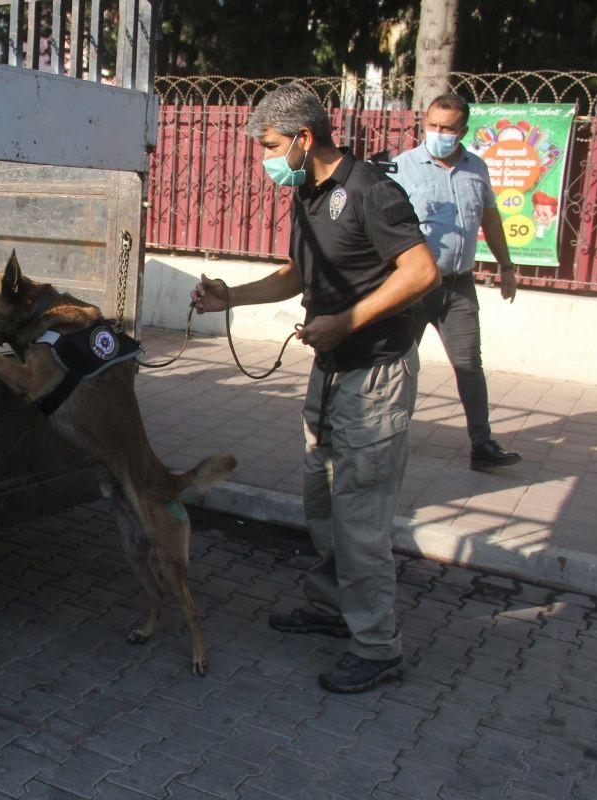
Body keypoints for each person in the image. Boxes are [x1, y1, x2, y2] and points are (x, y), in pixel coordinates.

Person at [190, 83, 440, 693]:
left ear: (305, 138)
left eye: (271, 146)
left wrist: (346, 321)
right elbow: (299, 275)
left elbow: (421, 272)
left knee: (360, 516)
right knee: (324, 502)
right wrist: (231, 297)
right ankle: (332, 608)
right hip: (330, 371)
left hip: (374, 375)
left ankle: (378, 648)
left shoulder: (371, 191)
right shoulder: (308, 194)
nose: (266, 160)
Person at [392, 94, 522, 471]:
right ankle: (388, 438)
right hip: (413, 286)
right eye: (432, 125)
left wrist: (506, 267)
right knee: (399, 363)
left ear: (463, 130)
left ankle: (482, 445)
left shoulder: (476, 168)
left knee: (469, 365)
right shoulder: (402, 168)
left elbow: (490, 219)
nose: (438, 133)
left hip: (458, 287)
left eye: (447, 128)